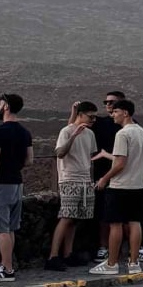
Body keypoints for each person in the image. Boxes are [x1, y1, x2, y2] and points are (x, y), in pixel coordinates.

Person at [91, 99, 143, 275]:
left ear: (125, 112)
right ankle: (134, 262)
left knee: (115, 224)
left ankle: (112, 263)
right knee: (134, 222)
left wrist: (104, 178)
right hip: (137, 184)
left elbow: (120, 163)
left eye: (115, 112)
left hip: (120, 185)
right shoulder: (141, 131)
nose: (112, 115)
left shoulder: (122, 135)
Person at [0, 93, 33, 282]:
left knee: (1, 228)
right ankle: (6, 265)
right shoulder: (25, 132)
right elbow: (30, 160)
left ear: (6, 107)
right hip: (17, 184)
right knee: (10, 227)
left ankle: (7, 269)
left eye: (0, 104)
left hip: (1, 184)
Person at [46, 101, 99, 270]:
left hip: (84, 180)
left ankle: (68, 253)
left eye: (94, 117)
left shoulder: (90, 134)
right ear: (80, 114)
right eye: (90, 116)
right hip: (69, 179)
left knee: (74, 219)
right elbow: (60, 153)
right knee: (66, 216)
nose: (93, 120)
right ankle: (53, 256)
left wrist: (91, 181)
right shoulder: (66, 131)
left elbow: (89, 158)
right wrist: (74, 135)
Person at [91, 91, 124, 261]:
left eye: (112, 102)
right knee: (104, 212)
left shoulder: (129, 126)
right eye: (106, 102)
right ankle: (103, 247)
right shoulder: (100, 123)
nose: (108, 105)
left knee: (124, 214)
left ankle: (121, 249)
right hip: (102, 173)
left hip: (123, 174)